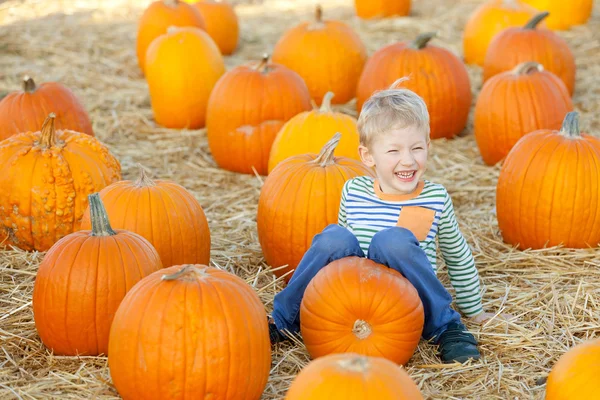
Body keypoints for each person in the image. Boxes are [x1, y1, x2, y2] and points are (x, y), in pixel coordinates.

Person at [268, 78, 495, 363]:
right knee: (333, 238)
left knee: (393, 241)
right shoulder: (353, 191)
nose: (408, 160)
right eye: (393, 151)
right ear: (368, 156)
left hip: (406, 302)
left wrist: (473, 309)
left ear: (428, 146)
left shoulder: (435, 198)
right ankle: (285, 320)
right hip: (356, 300)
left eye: (416, 148)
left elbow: (456, 254)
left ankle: (445, 326)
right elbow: (340, 254)